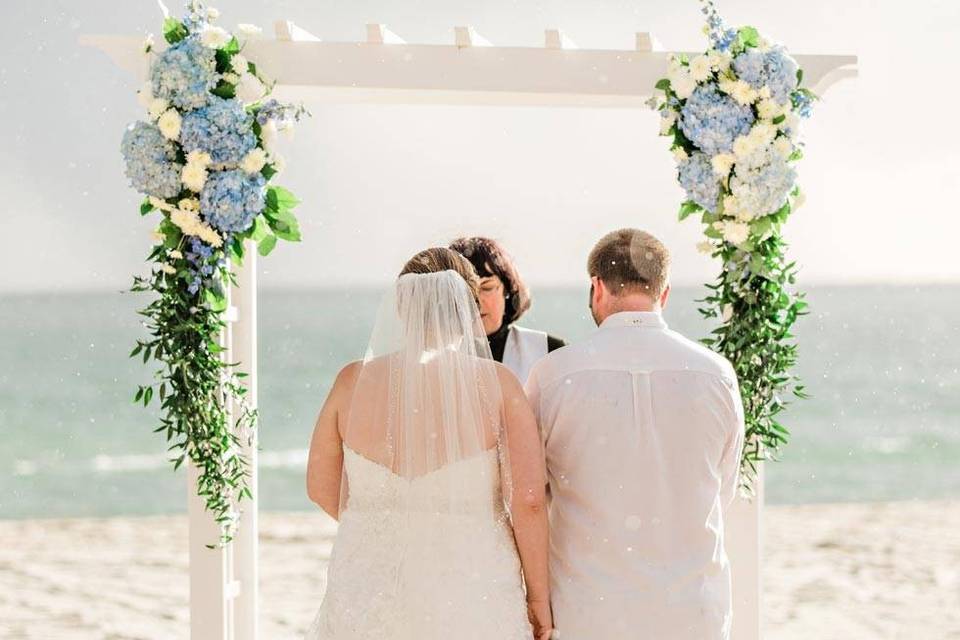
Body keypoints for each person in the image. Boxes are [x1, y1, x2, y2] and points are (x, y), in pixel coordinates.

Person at [305, 247, 553, 640]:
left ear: (401, 308)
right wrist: (538, 599)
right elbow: (529, 501)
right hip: (473, 579)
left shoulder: (351, 382)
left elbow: (320, 486)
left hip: (369, 582)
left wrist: (387, 523)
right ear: (465, 307)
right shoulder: (499, 386)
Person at [525, 228, 746, 640]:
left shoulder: (554, 374)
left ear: (597, 287)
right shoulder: (716, 375)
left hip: (588, 608)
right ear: (663, 294)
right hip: (693, 608)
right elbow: (722, 490)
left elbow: (532, 492)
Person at [449, 237, 565, 385]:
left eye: (486, 288)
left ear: (507, 290)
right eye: (464, 290)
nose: (476, 301)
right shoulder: (429, 359)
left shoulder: (549, 351)